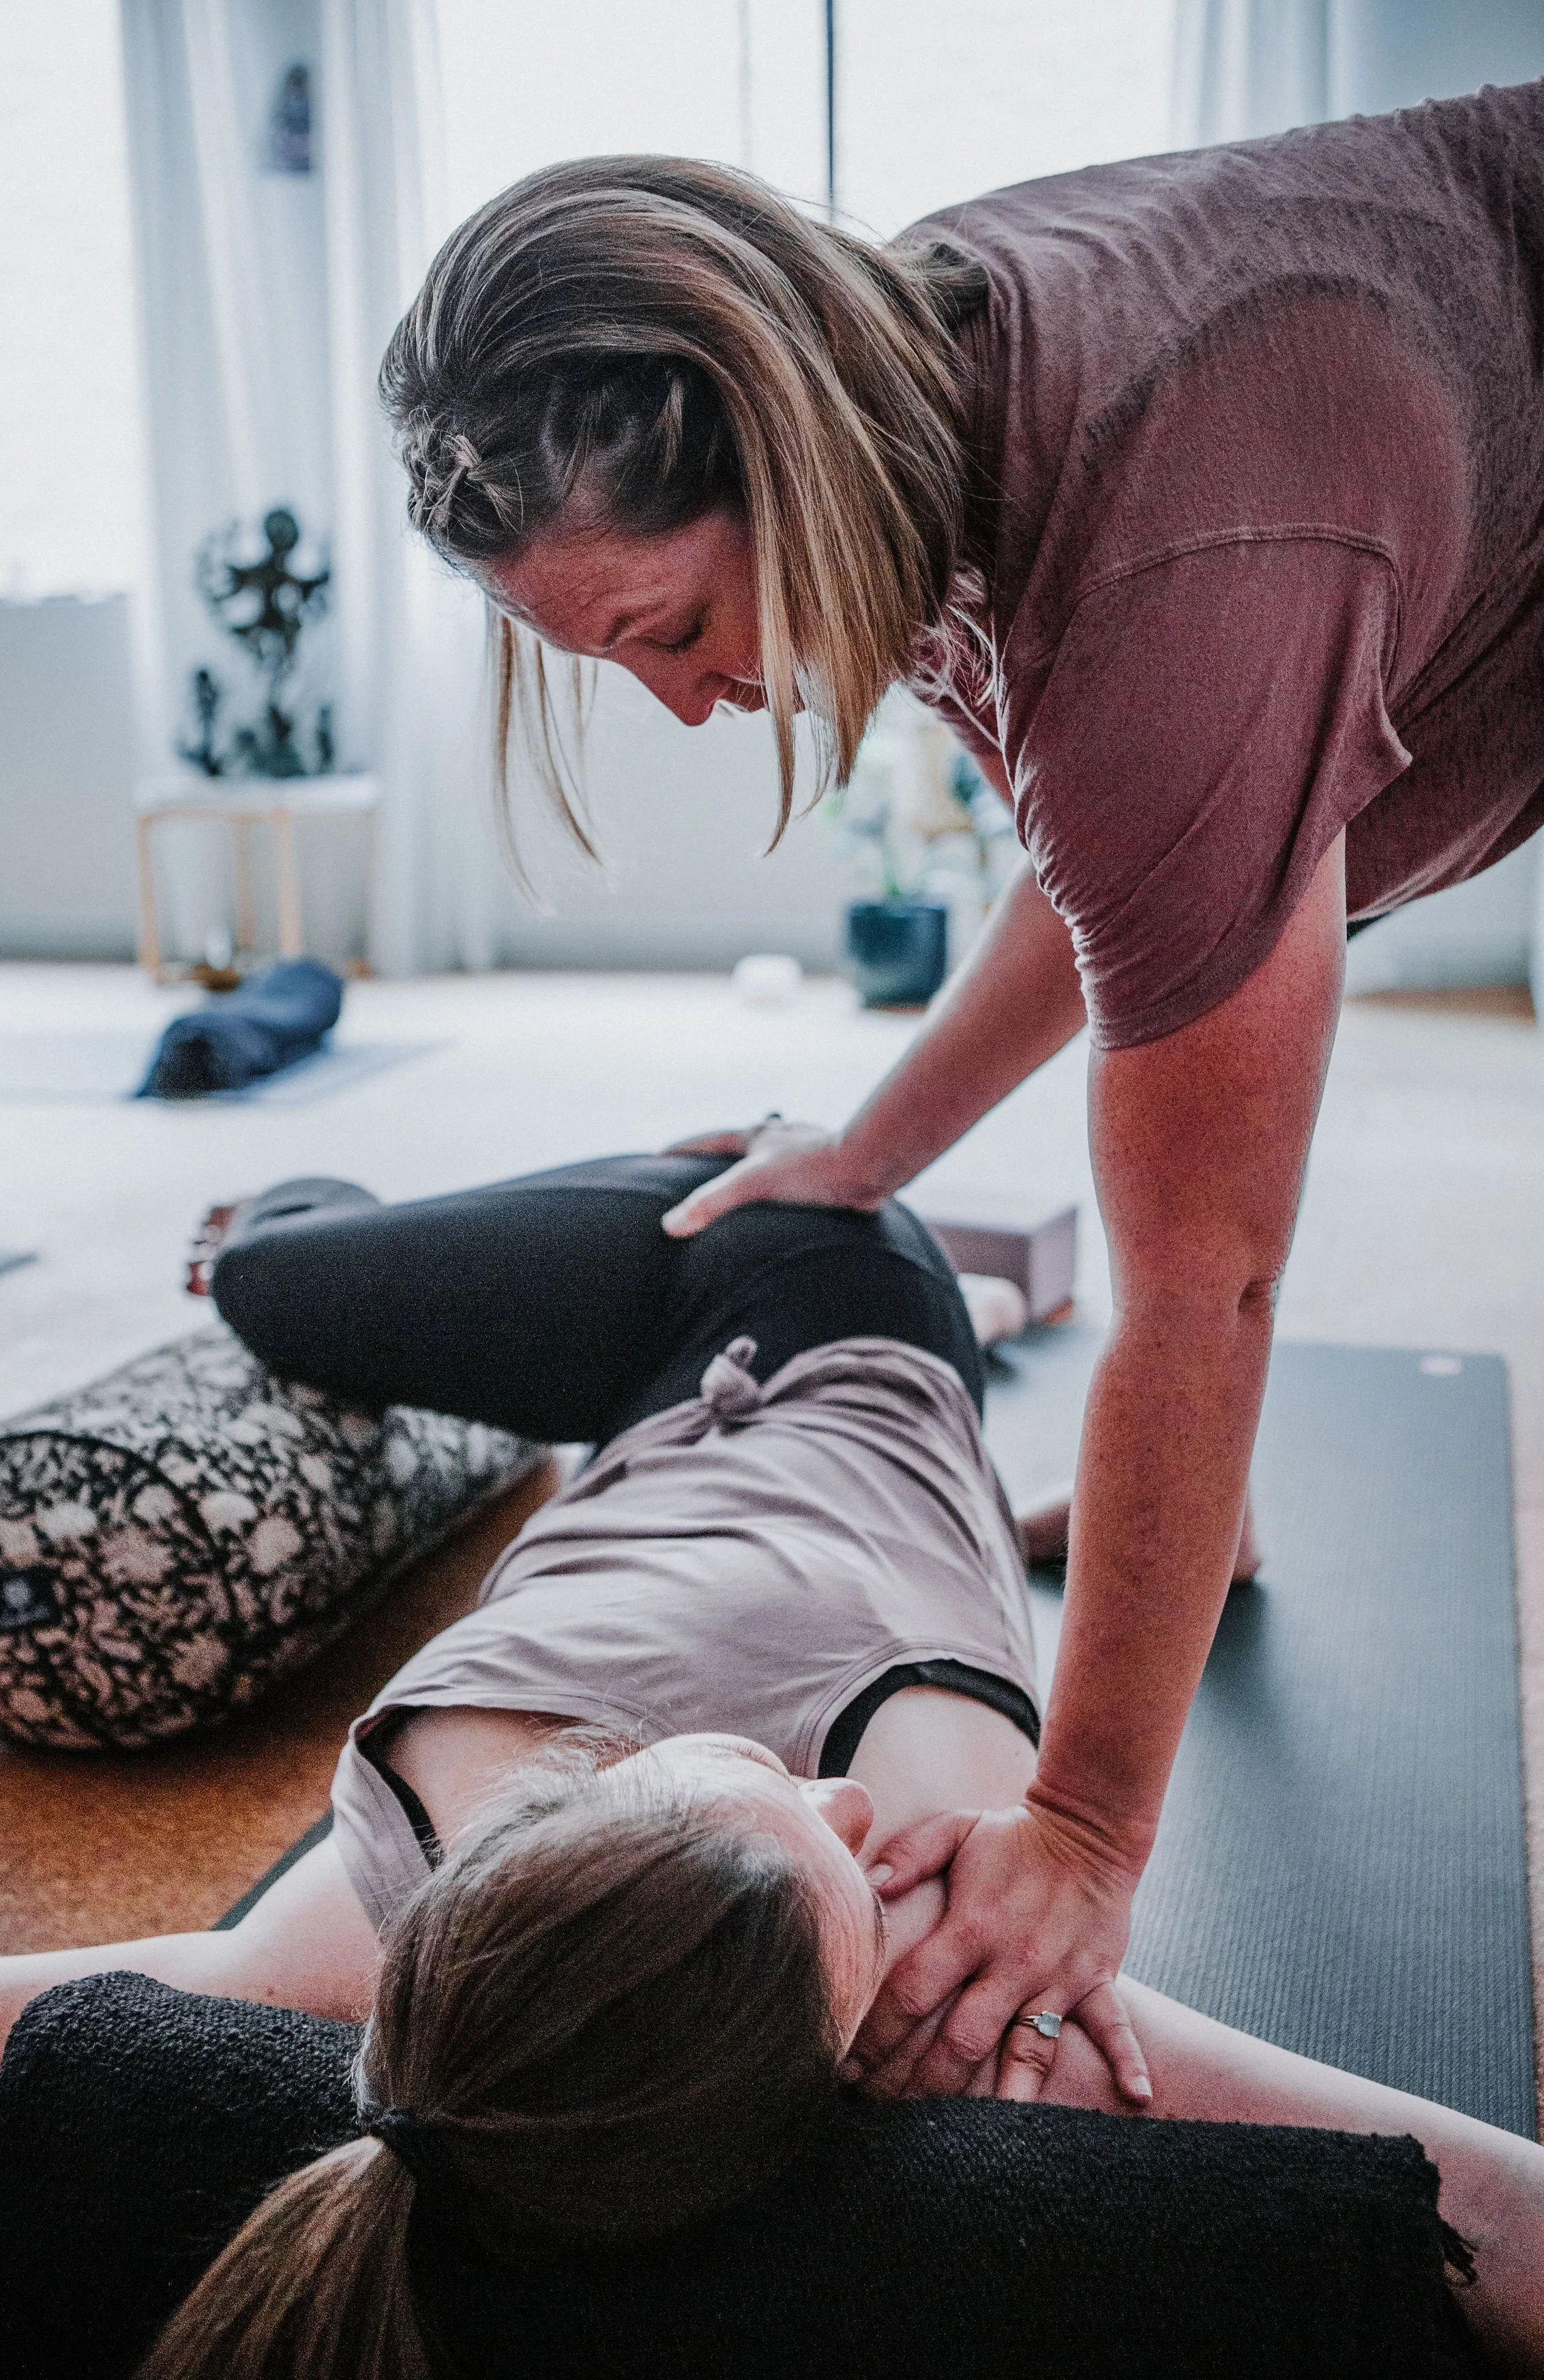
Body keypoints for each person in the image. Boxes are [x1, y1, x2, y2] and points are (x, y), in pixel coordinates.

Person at [372, 90, 1544, 2097]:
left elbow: (1211, 1279)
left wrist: (1081, 1838)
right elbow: (1115, 864)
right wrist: (870, 1152)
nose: (682, 701)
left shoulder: (1193, 537)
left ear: (783, 466)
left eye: (671, 629)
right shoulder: (904, 375)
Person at [0, 1156, 1544, 2380]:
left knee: (279, 1286)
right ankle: (994, 1395)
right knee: (306, 1283)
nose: (850, 1809)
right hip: (836, 1339)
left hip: (759, 1309)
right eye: (856, 1853)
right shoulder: (945, 1920)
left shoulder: (389, 1914)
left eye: (783, 1794)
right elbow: (1487, 2208)